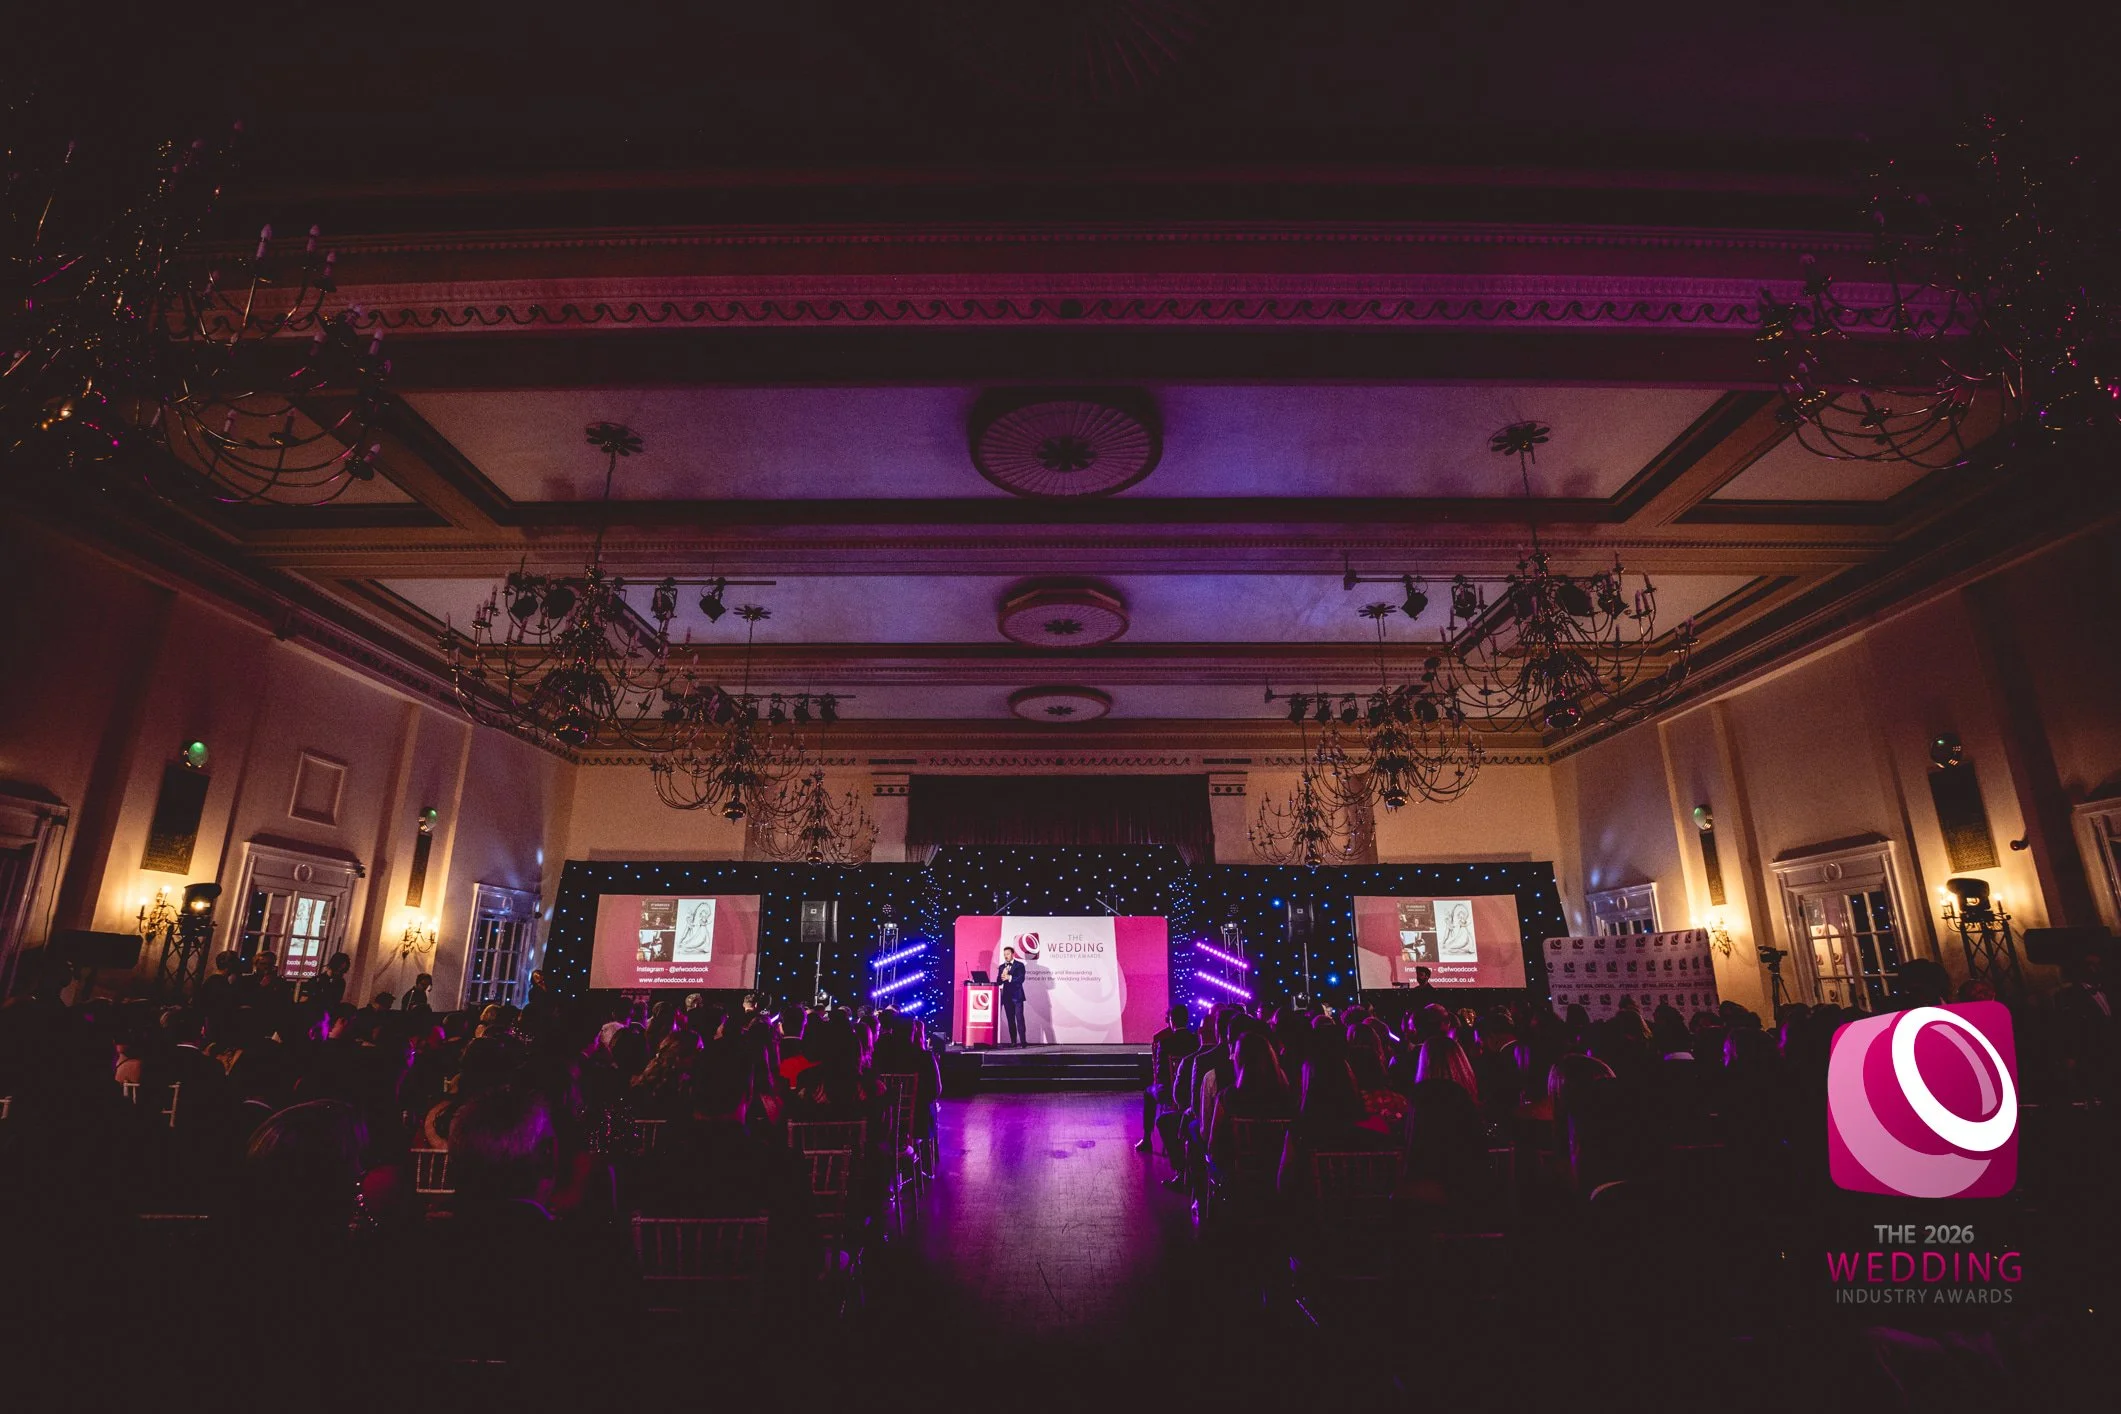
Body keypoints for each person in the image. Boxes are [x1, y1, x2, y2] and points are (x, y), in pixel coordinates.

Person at [1140, 1003, 1198, 1154]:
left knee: (1148, 1092)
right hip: (1193, 1091)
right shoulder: (1196, 1040)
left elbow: (1161, 1074)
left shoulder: (1165, 1043)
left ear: (1171, 1020)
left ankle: (1147, 1139)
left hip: (1170, 1091)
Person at [996, 945, 1028, 1047]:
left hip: (1017, 996)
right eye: (1004, 954)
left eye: (1008, 954)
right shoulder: (1002, 967)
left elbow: (1020, 979)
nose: (1006, 956)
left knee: (1019, 1019)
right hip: (1007, 997)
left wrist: (1009, 977)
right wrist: (1002, 977)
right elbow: (998, 981)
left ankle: (1023, 1042)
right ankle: (1013, 1041)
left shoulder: (1019, 965)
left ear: (1012, 954)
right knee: (1010, 1020)